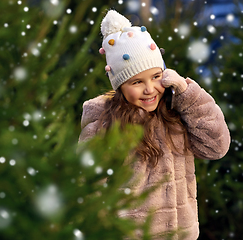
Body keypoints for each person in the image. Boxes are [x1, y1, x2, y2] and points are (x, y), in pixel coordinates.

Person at [79, 10, 230, 240]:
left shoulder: (176, 111)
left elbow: (216, 147)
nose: (150, 89)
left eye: (156, 77)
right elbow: (88, 185)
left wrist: (187, 94)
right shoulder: (105, 123)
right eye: (137, 82)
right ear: (120, 85)